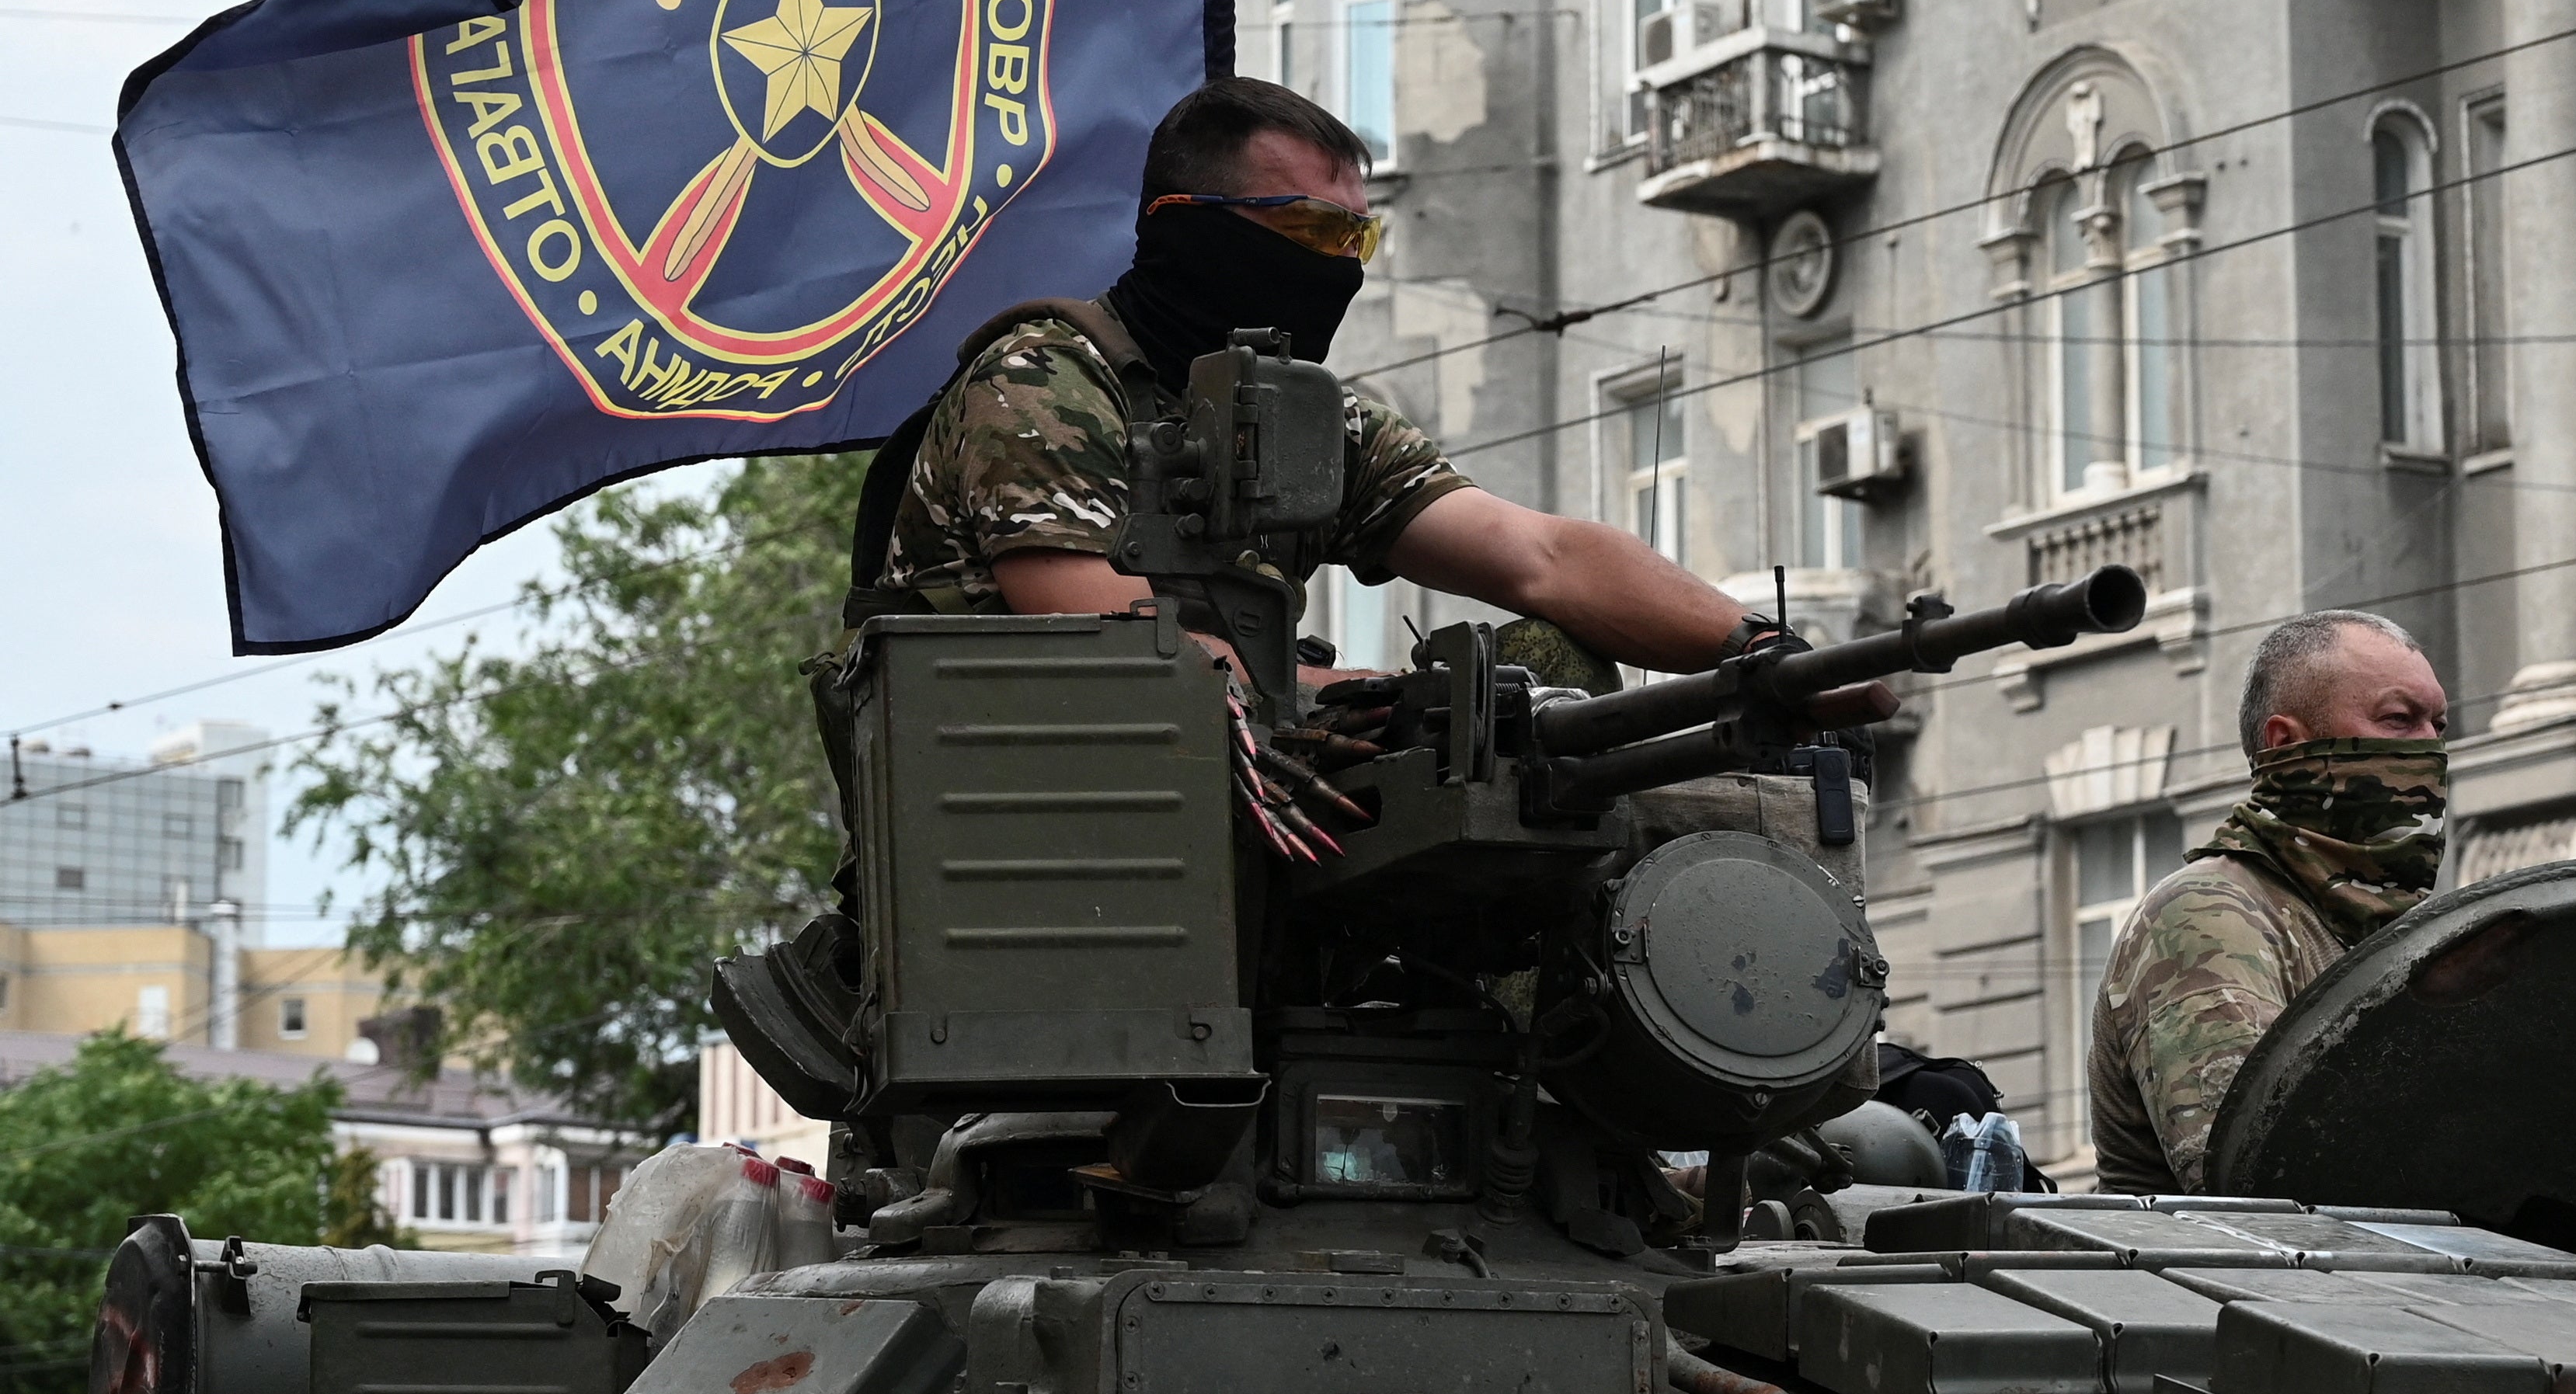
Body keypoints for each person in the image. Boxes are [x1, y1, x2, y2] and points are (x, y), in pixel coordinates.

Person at [864, 77, 1875, 845]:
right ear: (1187, 227)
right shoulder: (1041, 381)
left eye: (1358, 235)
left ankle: (1525, 1046)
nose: (1335, 265)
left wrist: (1762, 656)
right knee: (1474, 722)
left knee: (1544, 674)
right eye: (1306, 228)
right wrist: (1356, 700)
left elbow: (1541, 557)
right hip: (1045, 806)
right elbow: (1094, 622)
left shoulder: (1301, 417)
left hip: (1247, 782)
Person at [2086, 609, 2451, 1194]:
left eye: (2439, 725)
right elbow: (2251, 1173)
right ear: (2286, 744)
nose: (2431, 751)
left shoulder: (2384, 932)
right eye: (2399, 720)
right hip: (2231, 1280)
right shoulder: (2208, 914)